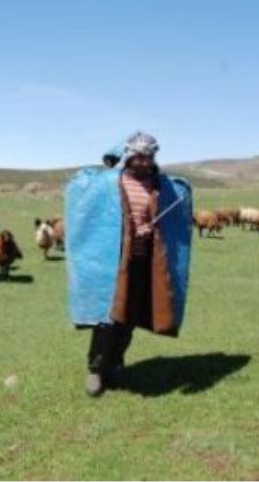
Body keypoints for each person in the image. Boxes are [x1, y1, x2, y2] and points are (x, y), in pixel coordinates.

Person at [85, 131, 173, 397]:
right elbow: (94, 217)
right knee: (106, 319)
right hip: (111, 261)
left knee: (129, 317)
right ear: (129, 156)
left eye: (149, 157)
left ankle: (115, 362)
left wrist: (150, 230)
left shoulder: (158, 185)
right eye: (139, 156)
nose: (144, 162)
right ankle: (96, 370)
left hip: (142, 261)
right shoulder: (112, 183)